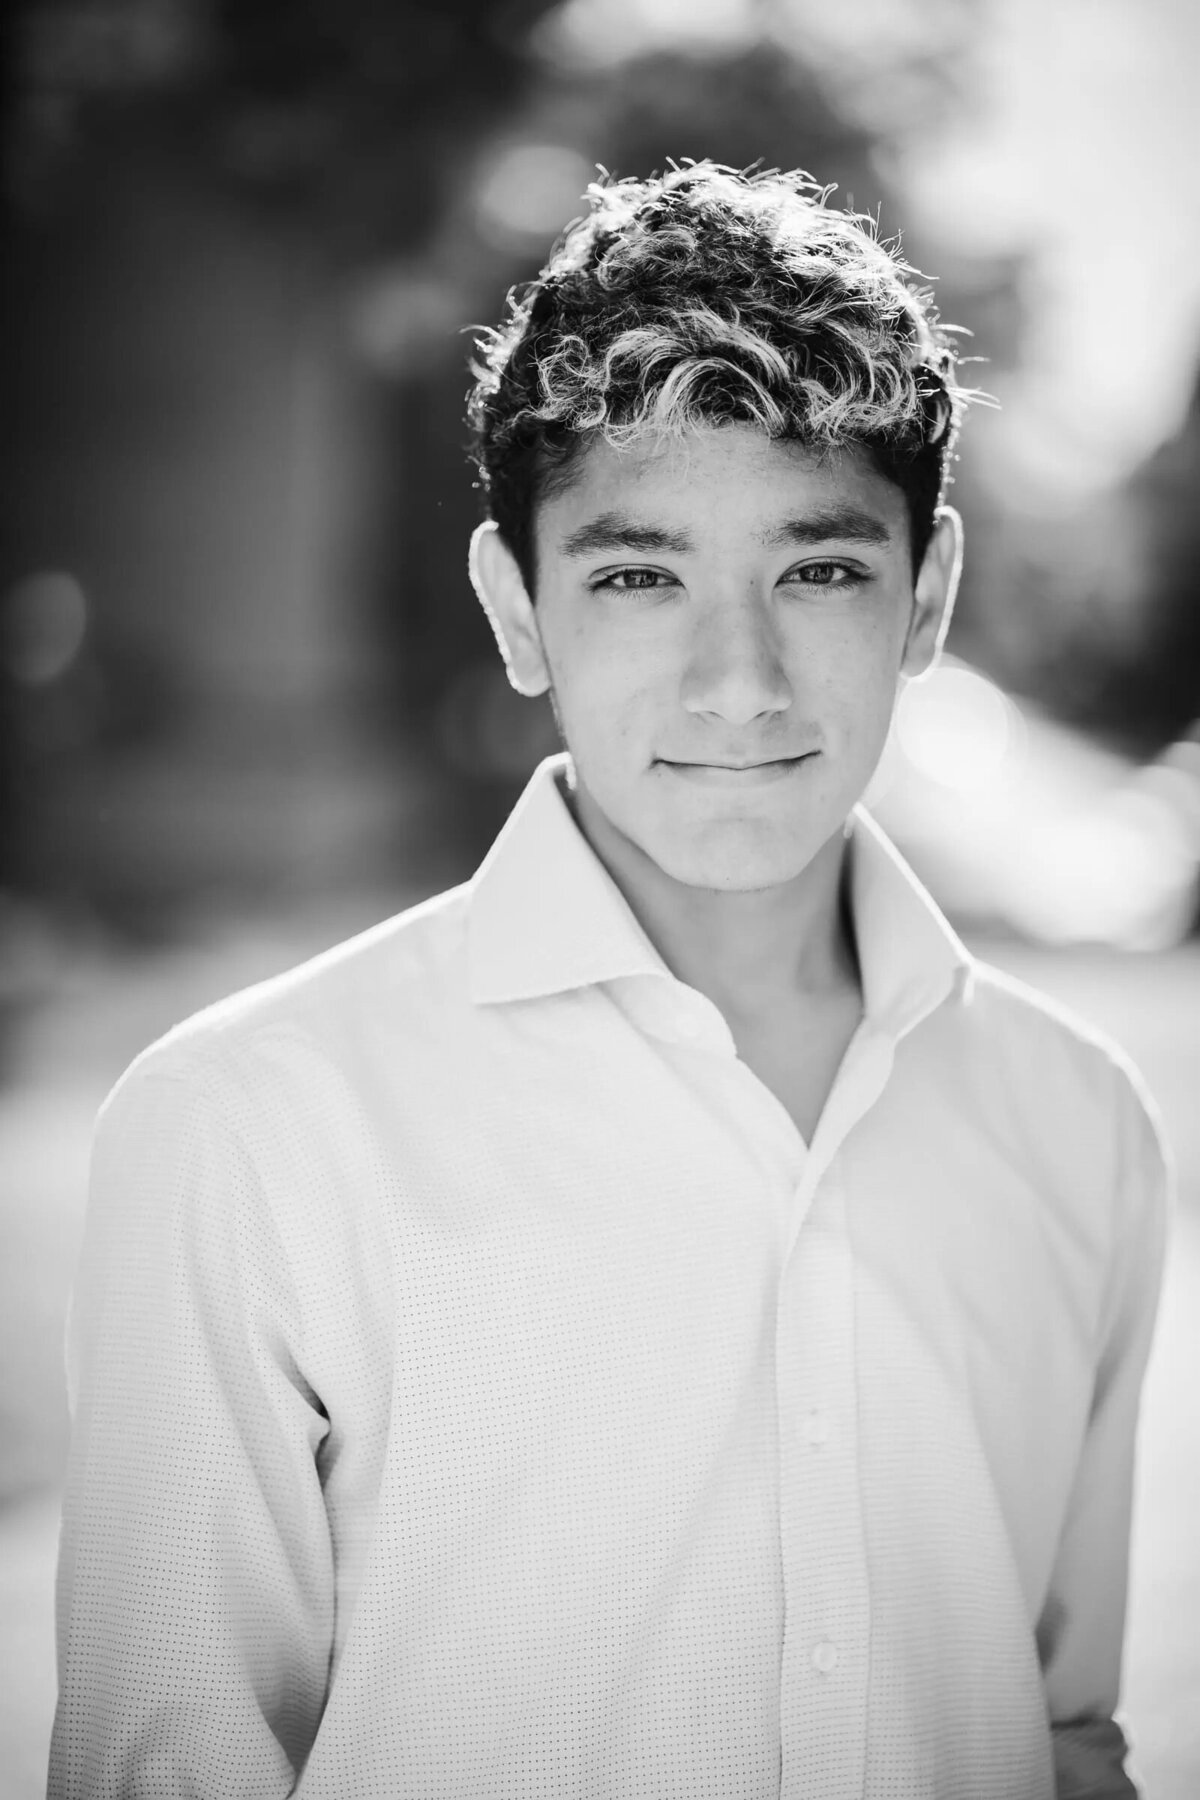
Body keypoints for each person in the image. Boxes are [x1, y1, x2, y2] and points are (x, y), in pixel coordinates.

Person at [49, 162, 1170, 1800]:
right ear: (520, 610)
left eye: (821, 570)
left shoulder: (1084, 1129)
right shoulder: (246, 1131)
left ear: (925, 597)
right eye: (640, 575)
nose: (739, 680)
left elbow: (1064, 1740)